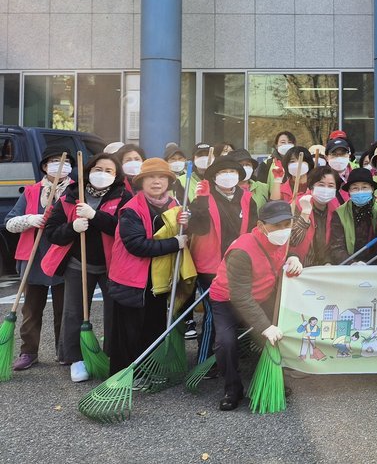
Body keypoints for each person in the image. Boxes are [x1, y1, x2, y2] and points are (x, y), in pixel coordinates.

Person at [43, 152, 131, 381]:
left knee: (114, 313)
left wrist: (95, 216)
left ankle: (112, 355)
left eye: (109, 171)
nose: (102, 174)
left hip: (112, 265)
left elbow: (125, 229)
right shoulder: (71, 196)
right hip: (78, 263)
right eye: (98, 169)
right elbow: (52, 232)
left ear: (116, 175)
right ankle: (76, 358)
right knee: (74, 312)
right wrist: (72, 227)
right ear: (88, 170)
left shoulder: (123, 196)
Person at [208, 200, 303, 411]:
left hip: (261, 296)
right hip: (228, 300)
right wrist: (264, 326)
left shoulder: (282, 239)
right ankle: (232, 389)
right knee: (225, 342)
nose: (283, 230)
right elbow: (240, 296)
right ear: (261, 225)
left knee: (280, 334)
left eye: (287, 224)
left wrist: (294, 257)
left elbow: (283, 253)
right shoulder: (242, 251)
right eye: (276, 225)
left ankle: (274, 379)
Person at [107, 158, 190, 375]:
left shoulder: (175, 205)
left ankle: (148, 372)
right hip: (131, 281)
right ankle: (122, 375)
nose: (156, 181)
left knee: (153, 328)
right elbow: (136, 245)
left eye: (162, 177)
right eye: (150, 177)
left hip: (158, 280)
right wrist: (174, 243)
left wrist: (187, 224)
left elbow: (185, 235)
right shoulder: (131, 209)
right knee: (128, 333)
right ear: (141, 182)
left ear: (168, 181)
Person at [4, 149, 72, 370]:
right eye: (54, 161)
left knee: (64, 309)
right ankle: (28, 352)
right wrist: (31, 219)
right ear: (44, 166)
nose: (60, 165)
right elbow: (10, 223)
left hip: (64, 256)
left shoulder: (75, 190)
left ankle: (64, 350)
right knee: (31, 309)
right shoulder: (32, 191)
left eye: (65, 162)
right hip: (34, 257)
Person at [187, 154, 258, 363]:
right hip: (209, 267)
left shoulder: (247, 198)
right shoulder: (203, 197)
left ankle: (233, 353)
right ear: (214, 177)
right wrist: (201, 201)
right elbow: (198, 228)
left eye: (232, 172)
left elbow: (253, 231)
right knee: (212, 313)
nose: (228, 176)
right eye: (222, 172)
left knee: (236, 309)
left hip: (237, 265)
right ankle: (204, 360)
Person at [288, 166, 348, 266]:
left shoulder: (336, 208)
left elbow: (334, 241)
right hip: (298, 265)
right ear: (311, 186)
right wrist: (304, 214)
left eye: (331, 186)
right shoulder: (297, 205)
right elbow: (293, 240)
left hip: (324, 266)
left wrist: (328, 261)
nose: (326, 189)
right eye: (321, 185)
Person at [332, 168, 377, 264]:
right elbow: (336, 246)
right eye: (355, 188)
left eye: (364, 187)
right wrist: (351, 263)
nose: (360, 191)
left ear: (372, 189)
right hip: (349, 266)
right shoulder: (340, 213)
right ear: (349, 191)